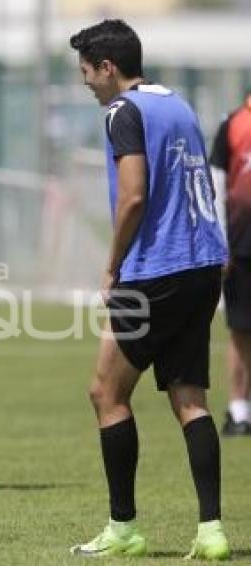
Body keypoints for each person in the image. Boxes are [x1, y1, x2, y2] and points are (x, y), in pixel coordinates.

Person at [69, 20, 230, 559]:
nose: (86, 83)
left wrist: (112, 265)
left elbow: (133, 196)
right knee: (190, 399)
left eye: (87, 72)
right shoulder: (179, 105)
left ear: (107, 68)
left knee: (106, 393)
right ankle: (211, 532)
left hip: (154, 270)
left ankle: (125, 528)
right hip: (204, 265)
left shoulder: (123, 112)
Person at [210, 92, 251, 436]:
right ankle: (239, 411)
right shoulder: (233, 124)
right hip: (242, 246)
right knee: (241, 330)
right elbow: (216, 185)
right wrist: (219, 242)